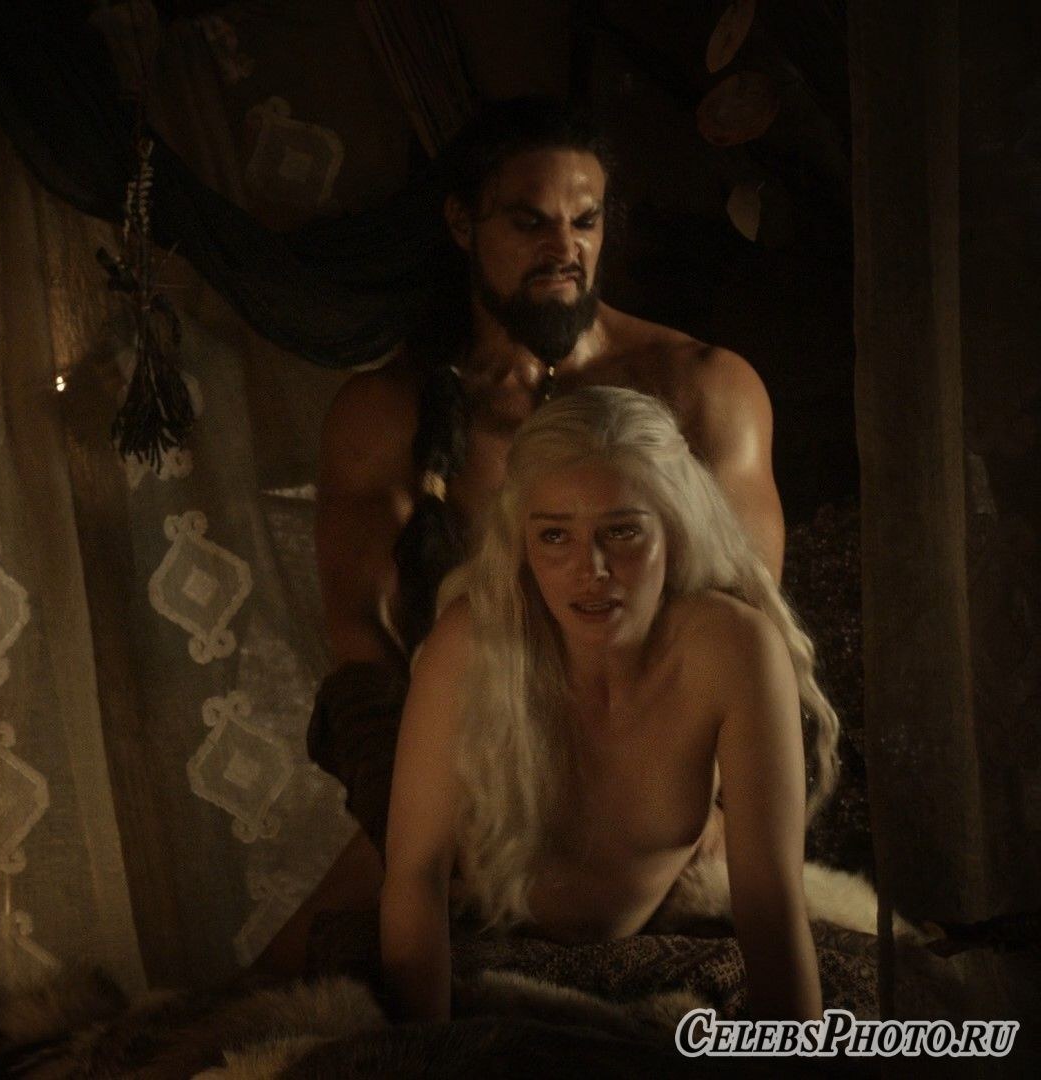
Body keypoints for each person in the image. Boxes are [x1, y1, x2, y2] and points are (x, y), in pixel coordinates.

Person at [256, 97, 787, 973]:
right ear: (462, 224)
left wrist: (707, 799)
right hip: (484, 774)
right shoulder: (387, 414)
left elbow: (744, 610)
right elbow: (362, 642)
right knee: (268, 996)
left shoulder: (705, 388)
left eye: (586, 221)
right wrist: (412, 821)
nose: (564, 247)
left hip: (666, 781)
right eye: (530, 221)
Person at [380, 386, 837, 1021]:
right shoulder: (473, 642)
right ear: (521, 542)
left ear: (674, 529)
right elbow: (415, 876)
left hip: (662, 935)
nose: (590, 569)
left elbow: (769, 904)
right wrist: (431, 1055)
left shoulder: (732, 648)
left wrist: (800, 1057)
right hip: (487, 938)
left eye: (621, 532)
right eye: (554, 536)